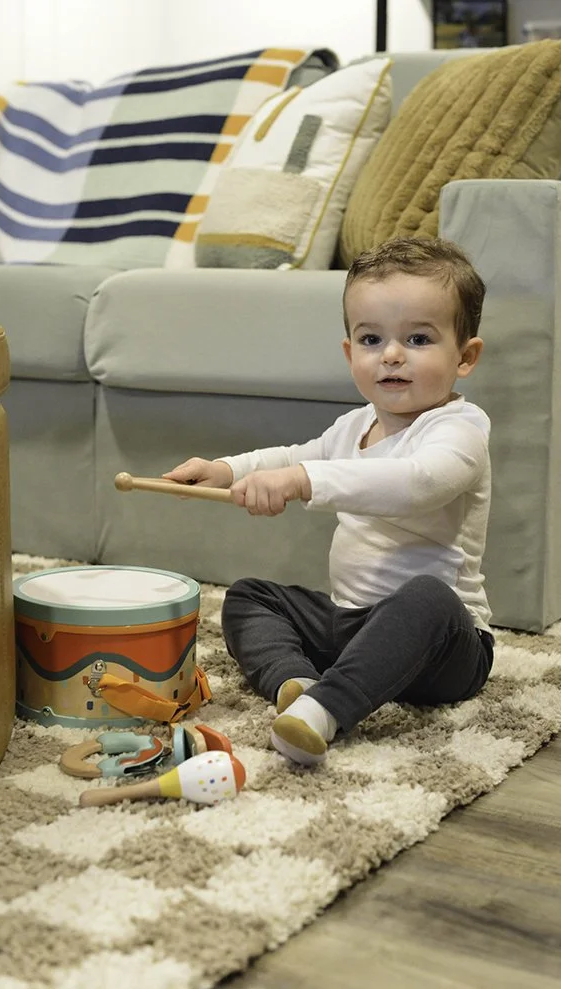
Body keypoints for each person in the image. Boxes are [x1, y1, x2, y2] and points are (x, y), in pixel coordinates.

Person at [163, 237, 494, 766]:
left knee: (428, 596)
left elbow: (415, 482)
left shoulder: (459, 431)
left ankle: (325, 708)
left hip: (446, 647)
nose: (390, 354)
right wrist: (225, 469)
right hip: (351, 622)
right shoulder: (355, 425)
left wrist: (303, 480)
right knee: (251, 597)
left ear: (466, 357)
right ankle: (294, 682)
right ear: (350, 353)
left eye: (417, 338)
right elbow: (296, 454)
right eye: (371, 338)